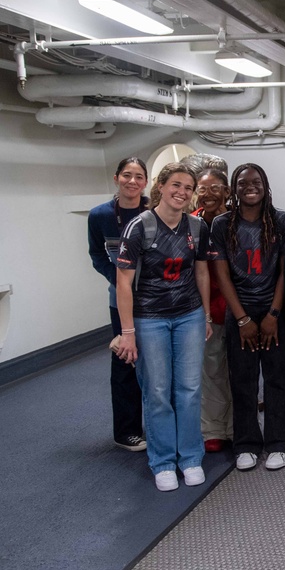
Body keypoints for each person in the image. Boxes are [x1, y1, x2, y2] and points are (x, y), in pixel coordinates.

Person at [114, 162, 212, 492]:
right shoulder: (139, 227)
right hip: (149, 319)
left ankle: (190, 457)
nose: (182, 192)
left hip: (189, 316)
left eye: (188, 187)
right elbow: (123, 283)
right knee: (157, 392)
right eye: (176, 185)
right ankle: (163, 461)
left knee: (189, 389)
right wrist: (128, 332)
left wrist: (207, 316)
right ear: (161, 186)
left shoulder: (197, 227)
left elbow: (201, 273)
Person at [211, 163, 285, 472]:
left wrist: (274, 313)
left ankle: (279, 443)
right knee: (243, 380)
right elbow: (221, 274)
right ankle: (246, 443)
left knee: (276, 379)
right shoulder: (222, 225)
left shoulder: (280, 220)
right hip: (240, 313)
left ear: (265, 185)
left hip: (275, 311)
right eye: (243, 182)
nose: (250, 186)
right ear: (234, 189)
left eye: (256, 181)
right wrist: (243, 319)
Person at [87, 157, 148, 452]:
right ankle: (127, 431)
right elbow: (97, 254)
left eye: (138, 176)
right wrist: (120, 279)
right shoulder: (100, 216)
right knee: (125, 361)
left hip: (154, 299)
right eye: (127, 175)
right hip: (120, 300)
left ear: (146, 182)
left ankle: (161, 425)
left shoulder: (153, 210)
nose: (132, 181)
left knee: (157, 363)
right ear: (116, 178)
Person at [193, 169, 233, 453]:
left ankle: (238, 427)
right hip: (207, 310)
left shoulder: (237, 222)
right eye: (202, 189)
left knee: (239, 372)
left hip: (238, 309)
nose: (207, 195)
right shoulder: (191, 225)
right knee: (212, 371)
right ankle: (215, 429)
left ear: (227, 192)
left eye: (214, 188)